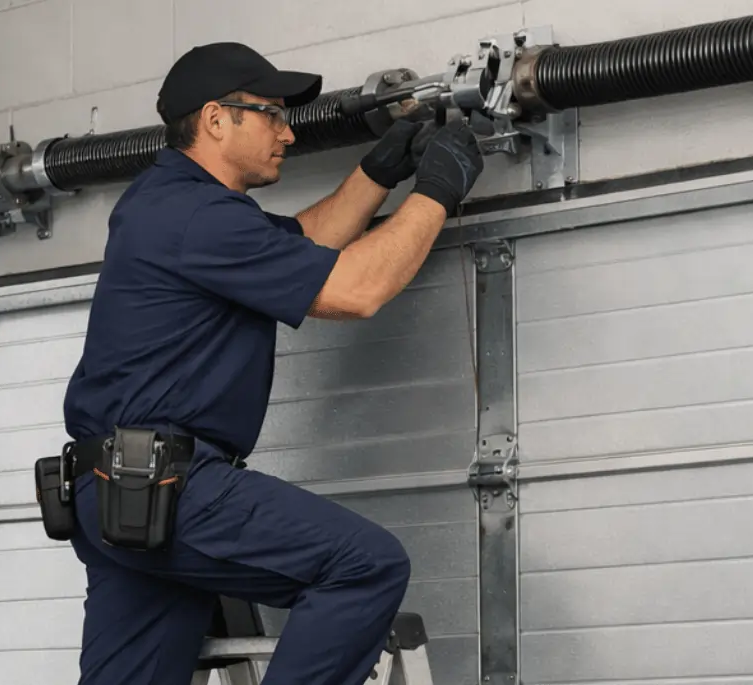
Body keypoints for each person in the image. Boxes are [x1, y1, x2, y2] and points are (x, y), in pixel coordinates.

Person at [58, 41, 485, 685]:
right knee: (365, 566)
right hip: (170, 487)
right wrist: (438, 189)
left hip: (119, 492)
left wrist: (379, 172)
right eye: (272, 114)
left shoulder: (177, 206)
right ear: (215, 119)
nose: (287, 132)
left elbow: (306, 245)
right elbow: (357, 290)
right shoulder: (194, 213)